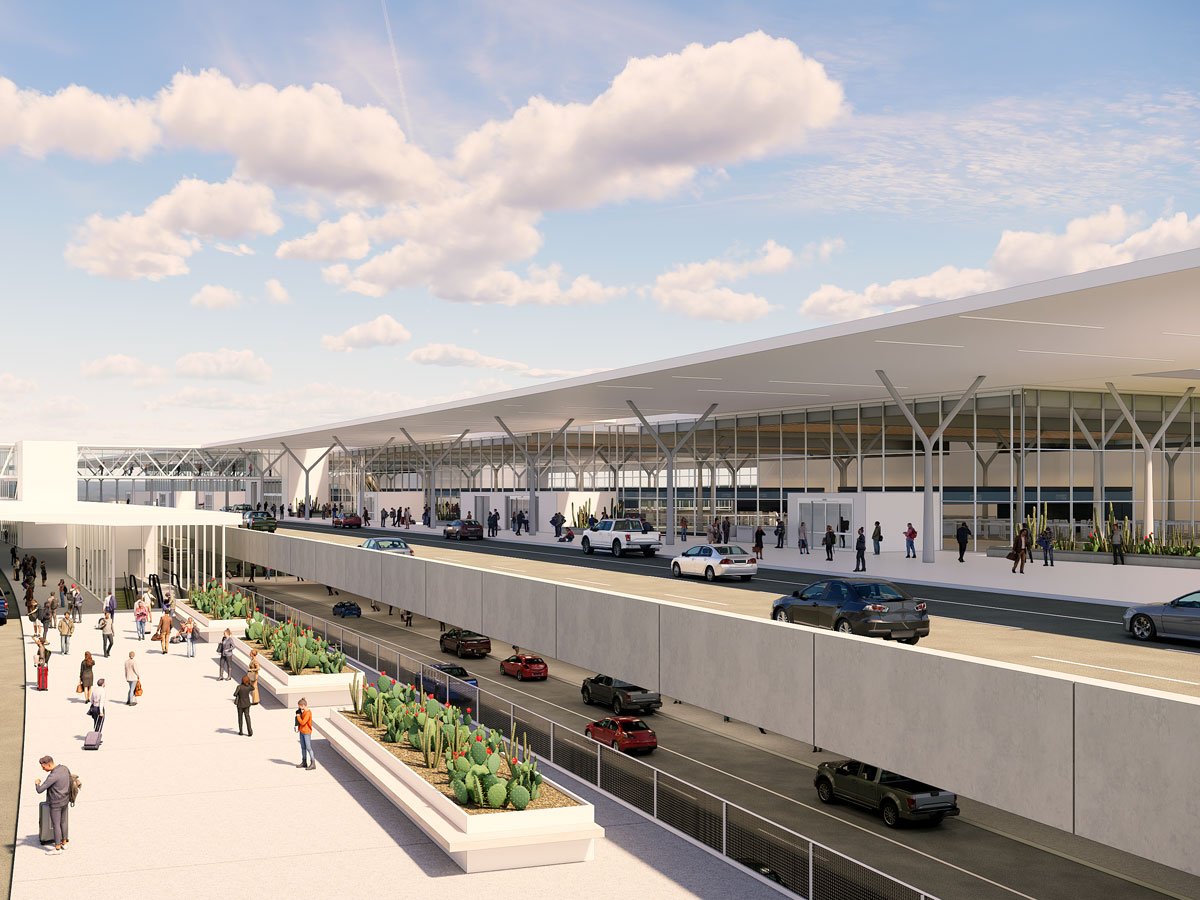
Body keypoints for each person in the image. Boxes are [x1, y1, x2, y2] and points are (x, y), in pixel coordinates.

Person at [34, 756, 71, 854]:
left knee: (56, 825)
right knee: (63, 822)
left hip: (55, 803)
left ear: (49, 764)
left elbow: (40, 790)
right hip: (65, 800)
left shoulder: (52, 776)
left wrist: (37, 783)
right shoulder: (64, 768)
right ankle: (64, 842)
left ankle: (57, 848)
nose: (43, 769)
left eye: (43, 767)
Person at [296, 698, 315, 769]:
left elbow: (303, 722)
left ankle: (313, 763)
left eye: (299, 706)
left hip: (306, 732)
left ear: (303, 705)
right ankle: (304, 762)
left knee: (309, 748)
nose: (299, 708)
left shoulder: (308, 713)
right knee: (303, 747)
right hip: (301, 731)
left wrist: (298, 716)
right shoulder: (303, 712)